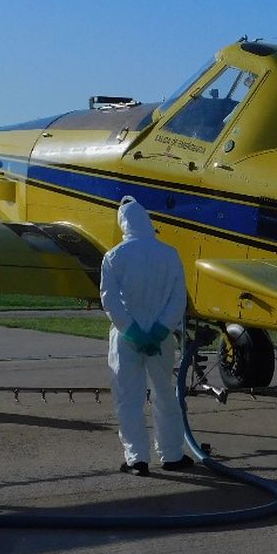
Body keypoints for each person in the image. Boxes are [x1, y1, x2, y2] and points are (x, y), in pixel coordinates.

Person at [100, 196, 193, 476]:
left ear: (123, 224)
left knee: (129, 398)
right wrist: (160, 330)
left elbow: (109, 299)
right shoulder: (170, 254)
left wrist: (132, 331)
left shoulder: (114, 256)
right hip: (161, 340)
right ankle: (172, 455)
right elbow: (178, 298)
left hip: (126, 339)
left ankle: (137, 459)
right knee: (165, 395)